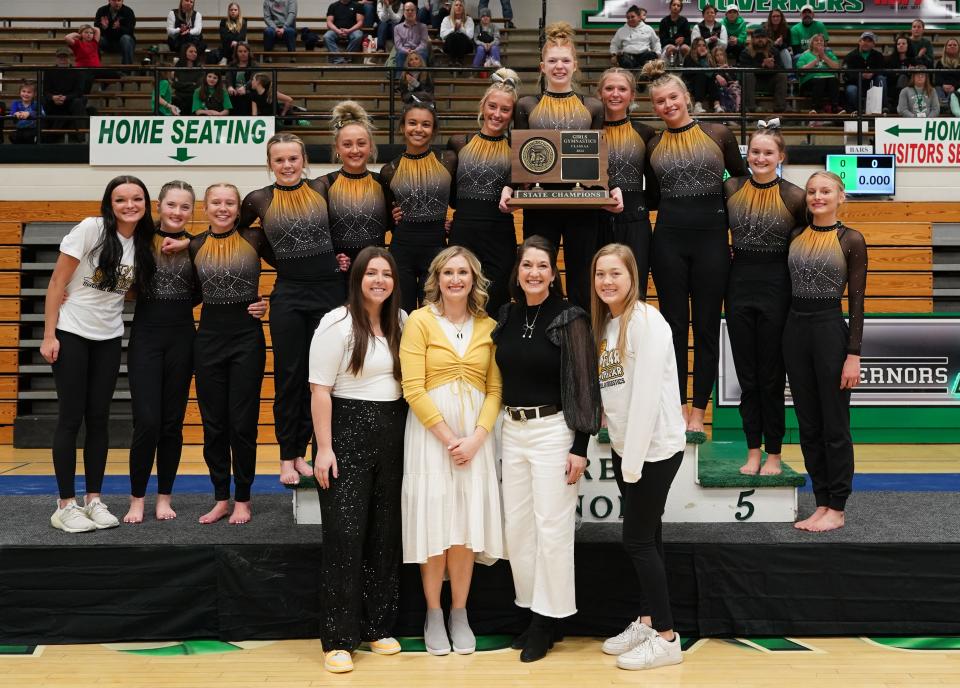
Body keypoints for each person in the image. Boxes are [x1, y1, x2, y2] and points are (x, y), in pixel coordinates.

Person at [492, 235, 600, 663]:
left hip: (554, 430)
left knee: (552, 528)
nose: (533, 273)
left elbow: (585, 384)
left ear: (552, 274)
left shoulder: (570, 316)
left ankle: (546, 620)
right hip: (512, 431)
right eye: (526, 266)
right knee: (519, 529)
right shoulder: (506, 314)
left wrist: (580, 445)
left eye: (541, 266)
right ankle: (534, 612)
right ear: (517, 273)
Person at [399, 245, 504, 656]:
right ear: (436, 279)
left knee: (464, 526)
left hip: (475, 439)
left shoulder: (489, 325)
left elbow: (495, 389)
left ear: (474, 279)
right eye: (448, 272)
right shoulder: (420, 322)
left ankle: (459, 612)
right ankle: (433, 613)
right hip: (430, 438)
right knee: (435, 522)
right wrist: (448, 439)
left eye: (463, 272)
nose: (455, 279)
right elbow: (412, 387)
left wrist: (476, 438)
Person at [309, 247, 407, 674]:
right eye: (371, 273)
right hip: (346, 431)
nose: (379, 280)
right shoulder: (336, 323)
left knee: (385, 534)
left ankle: (378, 626)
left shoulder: (402, 321)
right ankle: (338, 638)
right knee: (345, 537)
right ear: (358, 279)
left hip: (394, 431)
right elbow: (319, 391)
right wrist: (325, 448)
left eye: (386, 273)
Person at [592, 243, 686, 672]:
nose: (607, 282)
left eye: (615, 273)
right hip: (627, 446)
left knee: (636, 540)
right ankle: (648, 621)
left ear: (633, 277)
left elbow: (648, 396)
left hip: (653, 450)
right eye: (600, 275)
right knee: (650, 536)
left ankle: (666, 637)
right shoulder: (610, 325)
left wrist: (631, 464)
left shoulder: (649, 322)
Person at [641, 59, 747, 439]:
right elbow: (652, 197)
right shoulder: (652, 144)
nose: (668, 105)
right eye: (659, 101)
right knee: (671, 329)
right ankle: (675, 405)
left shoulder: (718, 134)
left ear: (686, 98)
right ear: (653, 106)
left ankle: (698, 411)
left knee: (705, 329)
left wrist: (740, 236)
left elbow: (741, 183)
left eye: (673, 97)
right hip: (668, 242)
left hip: (712, 242)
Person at [41, 176, 153, 533]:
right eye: (121, 199)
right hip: (72, 332)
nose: (130, 205)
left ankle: (93, 500)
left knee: (100, 420)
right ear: (110, 203)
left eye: (137, 199)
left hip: (108, 337)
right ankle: (65, 505)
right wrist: (48, 335)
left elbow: (122, 289)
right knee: (71, 418)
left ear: (145, 204)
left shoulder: (142, 241)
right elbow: (57, 283)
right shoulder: (91, 229)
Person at [239, 133, 347, 486]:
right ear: (269, 164)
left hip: (330, 292)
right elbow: (235, 235)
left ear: (304, 161)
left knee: (326, 380)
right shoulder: (258, 199)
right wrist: (277, 259)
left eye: (293, 159)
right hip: (289, 295)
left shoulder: (322, 187)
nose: (287, 166)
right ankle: (290, 456)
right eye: (279, 160)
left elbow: (346, 225)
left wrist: (339, 258)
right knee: (289, 378)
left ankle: (322, 452)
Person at [189, 184, 276, 525]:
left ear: (239, 209)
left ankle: (243, 498)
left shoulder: (254, 238)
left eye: (229, 203)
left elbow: (294, 265)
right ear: (205, 207)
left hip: (246, 338)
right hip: (208, 338)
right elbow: (188, 293)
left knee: (242, 424)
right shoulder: (195, 244)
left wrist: (271, 301)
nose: (222, 208)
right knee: (214, 425)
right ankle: (220, 497)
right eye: (216, 202)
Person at [785, 171, 866, 533]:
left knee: (835, 424)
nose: (818, 197)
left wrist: (854, 353)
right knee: (809, 424)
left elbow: (858, 303)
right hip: (795, 331)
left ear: (840, 196)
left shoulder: (851, 239)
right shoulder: (796, 235)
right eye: (812, 191)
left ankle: (838, 505)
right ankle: (821, 501)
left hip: (830, 330)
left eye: (826, 191)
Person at [723, 124, 805, 476]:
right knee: (748, 378)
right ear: (747, 155)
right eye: (755, 152)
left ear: (780, 157)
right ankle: (752, 450)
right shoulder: (731, 187)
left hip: (777, 286)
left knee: (772, 377)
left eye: (768, 153)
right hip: (738, 283)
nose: (760, 158)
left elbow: (805, 244)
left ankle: (774, 452)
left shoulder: (795, 196)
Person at [512, 22, 606, 310]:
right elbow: (519, 157)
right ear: (542, 66)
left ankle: (580, 333)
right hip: (540, 204)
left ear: (575, 65)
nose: (559, 66)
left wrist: (606, 190)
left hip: (582, 205)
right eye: (552, 61)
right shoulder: (527, 105)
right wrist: (515, 188)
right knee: (539, 270)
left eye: (565, 60)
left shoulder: (593, 107)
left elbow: (599, 159)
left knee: (581, 274)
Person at [448, 68, 519, 315]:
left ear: (512, 115)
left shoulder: (517, 149)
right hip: (463, 230)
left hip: (499, 234)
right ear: (482, 106)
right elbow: (449, 195)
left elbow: (522, 191)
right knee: (460, 299)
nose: (497, 114)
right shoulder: (459, 143)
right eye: (492, 107)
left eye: (505, 110)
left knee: (497, 301)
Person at [380, 103, 457, 312]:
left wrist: (453, 224)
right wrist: (394, 216)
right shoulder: (389, 170)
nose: (418, 129)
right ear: (402, 127)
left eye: (426, 124)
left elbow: (459, 201)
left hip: (436, 248)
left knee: (432, 314)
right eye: (412, 123)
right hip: (402, 250)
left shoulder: (447, 160)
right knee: (401, 313)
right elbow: (389, 217)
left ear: (434, 130)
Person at [597, 67, 655, 296]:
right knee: (599, 289)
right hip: (595, 218)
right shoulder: (590, 130)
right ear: (600, 93)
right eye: (609, 88)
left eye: (622, 89)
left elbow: (653, 185)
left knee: (634, 289)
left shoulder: (645, 132)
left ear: (632, 96)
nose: (615, 94)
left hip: (635, 220)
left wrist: (639, 207)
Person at [323, 101, 389, 264]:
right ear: (337, 148)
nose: (355, 150)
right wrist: (332, 258)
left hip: (374, 269)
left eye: (361, 143)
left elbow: (393, 224)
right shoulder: (324, 184)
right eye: (347, 145)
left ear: (371, 147)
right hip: (339, 270)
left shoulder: (383, 182)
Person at [42, 48, 88, 141]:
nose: (62, 60)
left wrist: (66, 98)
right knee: (42, 100)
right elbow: (46, 91)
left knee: (78, 102)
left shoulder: (78, 72)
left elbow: (79, 92)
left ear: (70, 58)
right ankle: (42, 136)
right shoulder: (49, 72)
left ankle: (81, 137)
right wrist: (53, 97)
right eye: (60, 57)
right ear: (56, 58)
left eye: (65, 57)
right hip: (54, 102)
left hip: (70, 102)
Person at [738, 29, 787, 114]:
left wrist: (773, 66)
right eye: (757, 37)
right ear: (753, 39)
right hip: (753, 84)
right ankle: (751, 107)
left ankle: (780, 107)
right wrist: (762, 66)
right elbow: (743, 68)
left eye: (763, 37)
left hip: (769, 83)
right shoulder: (746, 52)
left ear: (767, 39)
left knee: (781, 75)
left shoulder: (773, 51)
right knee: (748, 74)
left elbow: (782, 68)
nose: (760, 40)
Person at [796, 33, 842, 117]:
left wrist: (824, 57)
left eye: (821, 40)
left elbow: (837, 67)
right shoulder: (805, 55)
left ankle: (835, 107)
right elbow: (801, 71)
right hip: (810, 81)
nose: (819, 42)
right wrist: (815, 61)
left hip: (828, 80)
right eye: (816, 40)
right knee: (819, 81)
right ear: (812, 43)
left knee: (834, 80)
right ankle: (815, 108)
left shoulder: (829, 54)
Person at [843, 31, 885, 114]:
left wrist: (873, 74)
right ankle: (856, 112)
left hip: (872, 84)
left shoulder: (878, 56)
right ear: (859, 42)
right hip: (855, 84)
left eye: (869, 41)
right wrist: (861, 76)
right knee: (851, 90)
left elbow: (882, 70)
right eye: (864, 40)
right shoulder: (850, 56)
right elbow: (847, 75)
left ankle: (884, 107)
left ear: (873, 44)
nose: (866, 43)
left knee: (881, 79)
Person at [609, 5, 660, 70]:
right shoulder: (621, 30)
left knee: (651, 55)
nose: (630, 19)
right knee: (622, 58)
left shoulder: (648, 29)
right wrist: (614, 54)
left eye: (632, 17)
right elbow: (614, 44)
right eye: (628, 18)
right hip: (628, 57)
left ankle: (644, 76)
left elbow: (656, 42)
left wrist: (658, 53)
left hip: (644, 56)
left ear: (639, 17)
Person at [683, 37, 720, 114]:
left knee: (710, 78)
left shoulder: (708, 58)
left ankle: (717, 105)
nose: (702, 47)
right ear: (694, 47)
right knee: (701, 74)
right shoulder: (689, 57)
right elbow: (689, 74)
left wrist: (703, 58)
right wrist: (702, 58)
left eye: (704, 45)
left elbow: (712, 73)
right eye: (699, 45)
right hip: (692, 85)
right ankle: (698, 105)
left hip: (706, 85)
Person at [95, 0, 136, 65]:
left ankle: (127, 70)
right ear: (109, 1)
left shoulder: (128, 11)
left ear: (122, 1)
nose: (117, 3)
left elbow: (130, 30)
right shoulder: (101, 10)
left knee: (126, 38)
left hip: (122, 43)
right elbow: (96, 28)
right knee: (96, 39)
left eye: (119, 0)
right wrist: (103, 27)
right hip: (107, 42)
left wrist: (119, 28)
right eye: (114, 0)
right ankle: (96, 67)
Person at [325, 0, 365, 64]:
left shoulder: (357, 5)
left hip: (352, 30)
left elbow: (360, 22)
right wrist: (337, 31)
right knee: (327, 36)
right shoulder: (333, 6)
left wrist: (349, 30)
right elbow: (329, 22)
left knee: (358, 35)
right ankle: (338, 59)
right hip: (336, 30)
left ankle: (346, 57)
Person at [65, 24, 101, 94]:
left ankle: (103, 85)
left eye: (91, 33)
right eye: (86, 32)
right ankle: (84, 98)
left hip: (96, 69)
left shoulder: (94, 42)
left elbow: (97, 30)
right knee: (87, 80)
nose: (89, 34)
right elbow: (67, 37)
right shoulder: (78, 43)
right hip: (83, 70)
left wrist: (89, 28)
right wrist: (78, 35)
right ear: (81, 34)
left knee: (115, 75)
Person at [394, 1, 431, 70]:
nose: (410, 12)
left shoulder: (423, 27)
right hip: (404, 51)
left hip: (419, 50)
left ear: (416, 12)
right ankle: (400, 79)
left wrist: (415, 51)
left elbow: (423, 43)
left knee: (423, 53)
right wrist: (406, 51)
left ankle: (422, 79)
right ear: (403, 12)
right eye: (407, 10)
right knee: (400, 54)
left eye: (412, 10)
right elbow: (398, 45)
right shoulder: (397, 28)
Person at [885, 34, 917, 113]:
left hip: (910, 87)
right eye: (898, 44)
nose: (901, 45)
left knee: (903, 78)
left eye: (903, 43)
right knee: (902, 77)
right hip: (893, 87)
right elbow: (888, 77)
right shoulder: (890, 60)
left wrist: (911, 72)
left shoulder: (914, 60)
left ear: (908, 45)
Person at [171, 43, 204, 116]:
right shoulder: (178, 66)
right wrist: (191, 84)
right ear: (184, 52)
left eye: (195, 52)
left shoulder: (199, 67)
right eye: (191, 51)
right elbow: (175, 84)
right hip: (179, 98)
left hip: (194, 98)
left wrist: (183, 85)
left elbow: (198, 86)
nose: (194, 54)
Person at [226, 42, 257, 115]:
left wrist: (245, 88)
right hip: (234, 94)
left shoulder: (254, 65)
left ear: (248, 52)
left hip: (248, 93)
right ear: (236, 53)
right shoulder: (231, 65)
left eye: (245, 51)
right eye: (240, 51)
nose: (243, 53)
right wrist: (230, 87)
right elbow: (228, 78)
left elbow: (253, 79)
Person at [439, 0, 473, 67]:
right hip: (449, 46)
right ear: (453, 7)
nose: (458, 7)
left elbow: (470, 36)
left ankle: (457, 61)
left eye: (460, 5)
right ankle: (456, 61)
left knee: (460, 35)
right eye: (456, 5)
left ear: (463, 8)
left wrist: (461, 29)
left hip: (465, 46)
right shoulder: (446, 19)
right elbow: (442, 35)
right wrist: (453, 29)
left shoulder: (469, 19)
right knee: (453, 35)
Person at [659, 0, 691, 66]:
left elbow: (689, 39)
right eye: (674, 5)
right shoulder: (664, 21)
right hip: (668, 45)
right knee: (672, 48)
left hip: (682, 45)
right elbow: (663, 40)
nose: (676, 7)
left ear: (680, 9)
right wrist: (675, 41)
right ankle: (668, 69)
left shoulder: (684, 21)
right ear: (670, 7)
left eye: (678, 6)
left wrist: (683, 40)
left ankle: (686, 69)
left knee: (685, 48)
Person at [711, 46, 739, 113]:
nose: (719, 57)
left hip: (731, 87)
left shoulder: (730, 67)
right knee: (723, 90)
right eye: (717, 55)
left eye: (721, 54)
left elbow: (733, 79)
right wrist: (720, 69)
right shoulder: (713, 69)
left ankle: (737, 108)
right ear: (714, 57)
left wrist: (727, 70)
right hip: (720, 88)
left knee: (736, 88)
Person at [934, 38, 960, 108]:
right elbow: (937, 78)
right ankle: (943, 104)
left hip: (956, 87)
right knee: (937, 88)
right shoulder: (940, 63)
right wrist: (943, 85)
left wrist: (954, 86)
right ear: (945, 48)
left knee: (955, 92)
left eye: (955, 45)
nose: (952, 46)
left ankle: (947, 104)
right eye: (950, 45)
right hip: (942, 87)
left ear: (958, 48)